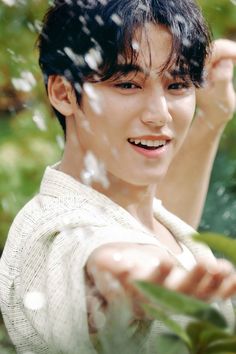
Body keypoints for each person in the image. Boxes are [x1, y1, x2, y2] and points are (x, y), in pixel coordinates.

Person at [0, 0, 236, 353]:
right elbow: (100, 254)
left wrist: (212, 118)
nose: (159, 115)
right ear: (63, 93)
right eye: (127, 84)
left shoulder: (140, 215)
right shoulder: (55, 229)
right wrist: (129, 282)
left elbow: (152, 230)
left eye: (178, 86)